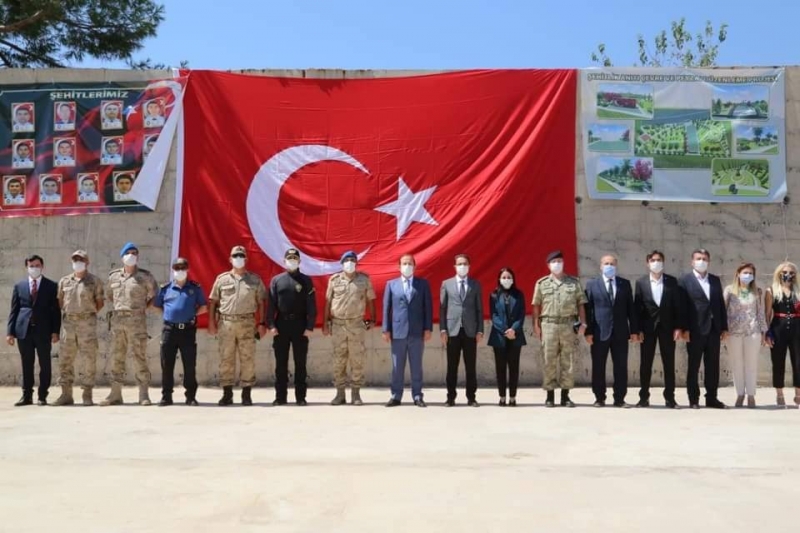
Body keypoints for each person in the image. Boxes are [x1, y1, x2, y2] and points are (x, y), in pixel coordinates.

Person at [208, 245, 267, 406]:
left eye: (241, 256)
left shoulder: (254, 280)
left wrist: (262, 323)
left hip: (247, 323)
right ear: (230, 259)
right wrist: (211, 322)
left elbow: (262, 302)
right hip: (226, 323)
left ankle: (246, 394)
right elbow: (213, 302)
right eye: (235, 256)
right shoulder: (222, 279)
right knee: (226, 358)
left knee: (247, 358)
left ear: (246, 259)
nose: (238, 258)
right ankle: (227, 393)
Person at [101, 242, 158, 406]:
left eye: (134, 253)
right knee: (117, 357)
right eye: (128, 253)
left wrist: (143, 307)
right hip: (118, 322)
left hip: (136, 322)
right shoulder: (113, 277)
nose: (131, 255)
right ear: (122, 256)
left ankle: (143, 394)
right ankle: (115, 393)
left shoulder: (145, 276)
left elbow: (155, 295)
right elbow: (110, 295)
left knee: (139, 356)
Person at [532, 250, 587, 408]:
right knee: (548, 360)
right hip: (548, 325)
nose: (557, 264)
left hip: (568, 324)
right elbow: (536, 305)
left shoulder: (574, 282)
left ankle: (565, 396)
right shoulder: (542, 283)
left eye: (559, 261)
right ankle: (550, 396)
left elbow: (581, 303)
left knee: (567, 361)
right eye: (554, 262)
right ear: (548, 265)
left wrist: (583, 323)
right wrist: (536, 325)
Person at [584, 254, 639, 407]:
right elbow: (588, 310)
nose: (609, 266)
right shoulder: (592, 284)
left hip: (620, 332)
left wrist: (634, 330)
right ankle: (599, 397)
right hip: (599, 332)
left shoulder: (624, 284)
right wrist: (588, 332)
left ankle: (619, 398)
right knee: (598, 366)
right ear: (601, 266)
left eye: (612, 264)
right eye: (606, 263)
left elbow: (631, 309)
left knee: (621, 367)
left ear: (616, 266)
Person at [323, 251, 376, 406]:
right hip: (338, 325)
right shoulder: (334, 280)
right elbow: (328, 302)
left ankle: (356, 393)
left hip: (356, 324)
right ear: (342, 263)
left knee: (357, 359)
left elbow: (371, 300)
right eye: (347, 260)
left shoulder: (364, 280)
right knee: (338, 360)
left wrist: (373, 319)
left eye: (353, 260)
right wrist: (325, 322)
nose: (350, 262)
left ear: (356, 263)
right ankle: (340, 394)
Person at [6, 255, 61, 406]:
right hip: (24, 331)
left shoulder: (51, 286)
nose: (34, 268)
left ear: (42, 266)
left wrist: (55, 331)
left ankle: (42, 395)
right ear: (26, 267)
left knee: (45, 363)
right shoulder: (19, 286)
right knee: (26, 363)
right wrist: (10, 332)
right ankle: (26, 395)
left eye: (37, 265)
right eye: (31, 266)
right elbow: (14, 310)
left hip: (43, 331)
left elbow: (55, 311)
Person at [154, 257, 208, 406]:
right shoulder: (165, 288)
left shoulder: (194, 288)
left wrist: (191, 314)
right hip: (169, 330)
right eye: (177, 268)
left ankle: (190, 396)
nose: (180, 270)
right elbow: (156, 306)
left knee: (189, 364)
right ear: (173, 270)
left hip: (187, 331)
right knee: (167, 364)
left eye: (183, 267)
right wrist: (169, 315)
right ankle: (166, 396)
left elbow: (204, 307)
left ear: (187, 269)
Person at [633, 250, 684, 408]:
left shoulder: (671, 282)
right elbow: (637, 308)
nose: (656, 263)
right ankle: (644, 397)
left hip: (667, 328)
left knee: (669, 363)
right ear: (647, 263)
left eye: (659, 260)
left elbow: (677, 306)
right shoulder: (641, 282)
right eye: (653, 260)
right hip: (647, 329)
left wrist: (678, 327)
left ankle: (670, 398)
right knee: (645, 364)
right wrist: (637, 330)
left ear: (663, 262)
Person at [679, 248, 728, 409]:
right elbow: (682, 307)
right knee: (694, 365)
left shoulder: (714, 280)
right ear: (692, 262)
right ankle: (693, 399)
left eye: (704, 259)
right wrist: (684, 328)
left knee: (713, 365)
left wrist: (724, 327)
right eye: (698, 258)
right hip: (695, 330)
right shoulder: (685, 280)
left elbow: (720, 304)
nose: (701, 261)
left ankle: (712, 398)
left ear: (709, 261)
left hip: (714, 329)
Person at [266, 248, 316, 406]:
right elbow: (271, 305)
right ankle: (280, 397)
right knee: (281, 363)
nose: (292, 261)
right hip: (281, 325)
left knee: (300, 363)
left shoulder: (306, 280)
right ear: (284, 261)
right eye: (289, 258)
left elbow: (311, 305)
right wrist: (271, 324)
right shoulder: (276, 280)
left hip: (300, 325)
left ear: (299, 261)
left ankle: (301, 397)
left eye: (295, 258)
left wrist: (310, 326)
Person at [54, 250, 104, 406]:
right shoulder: (64, 281)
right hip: (68, 325)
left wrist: (85, 313)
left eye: (81, 260)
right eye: (75, 259)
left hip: (86, 325)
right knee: (65, 359)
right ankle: (66, 394)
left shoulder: (94, 281)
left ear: (87, 262)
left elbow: (100, 303)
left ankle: (87, 394)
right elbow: (60, 302)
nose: (78, 262)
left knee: (89, 359)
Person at [382, 253, 432, 408]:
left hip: (417, 332)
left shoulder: (422, 284)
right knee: (397, 367)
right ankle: (396, 396)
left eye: (410, 263)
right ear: (399, 266)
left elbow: (428, 308)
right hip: (398, 332)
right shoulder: (391, 284)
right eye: (404, 263)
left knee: (416, 366)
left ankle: (417, 396)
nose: (407, 266)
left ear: (415, 266)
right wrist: (386, 329)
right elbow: (386, 308)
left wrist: (428, 328)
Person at [440, 253, 484, 407]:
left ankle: (471, 397)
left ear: (469, 266)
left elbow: (479, 309)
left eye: (465, 264)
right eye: (459, 264)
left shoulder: (475, 284)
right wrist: (443, 329)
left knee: (470, 366)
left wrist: (480, 330)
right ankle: (450, 397)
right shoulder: (446, 284)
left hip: (470, 330)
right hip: (452, 330)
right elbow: (443, 308)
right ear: (454, 266)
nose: (462, 266)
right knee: (452, 366)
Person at [724, 263, 767, 408]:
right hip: (733, 332)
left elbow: (760, 312)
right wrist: (723, 330)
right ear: (738, 274)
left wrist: (764, 331)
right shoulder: (730, 290)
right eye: (745, 272)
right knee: (737, 363)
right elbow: (723, 310)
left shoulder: (757, 291)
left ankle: (751, 395)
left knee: (751, 364)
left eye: (750, 273)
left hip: (752, 331)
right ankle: (740, 393)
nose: (748, 275)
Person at [488, 267, 526, 406]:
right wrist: (505, 330)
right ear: (499, 279)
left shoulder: (519, 294)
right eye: (504, 277)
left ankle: (513, 397)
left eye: (509, 277)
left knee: (514, 368)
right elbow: (494, 315)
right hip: (499, 336)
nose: (506, 279)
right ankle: (502, 396)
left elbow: (521, 314)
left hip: (516, 336)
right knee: (500, 368)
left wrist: (513, 329)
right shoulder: (494, 295)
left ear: (513, 279)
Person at [764, 261, 800, 407]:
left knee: (798, 362)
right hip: (778, 328)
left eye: (791, 272)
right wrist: (767, 332)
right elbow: (767, 313)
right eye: (785, 272)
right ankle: (779, 394)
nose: (788, 275)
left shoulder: (798, 290)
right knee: (778, 361)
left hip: (797, 328)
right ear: (779, 273)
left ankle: (798, 394)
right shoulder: (771, 290)